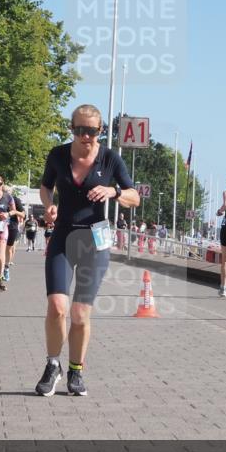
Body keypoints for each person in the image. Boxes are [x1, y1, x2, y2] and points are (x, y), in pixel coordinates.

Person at [35, 104, 138, 397]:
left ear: (100, 131)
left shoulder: (110, 159)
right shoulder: (57, 155)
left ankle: (76, 371)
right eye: (79, 130)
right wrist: (49, 205)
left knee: (80, 314)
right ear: (72, 129)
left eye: (91, 131)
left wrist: (113, 192)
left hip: (96, 239)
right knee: (57, 307)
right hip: (64, 235)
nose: (85, 137)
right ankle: (52, 365)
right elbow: (45, 187)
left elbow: (134, 197)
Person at [3, 190, 25, 281]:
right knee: (0, 248)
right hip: (0, 227)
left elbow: (23, 214)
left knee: (8, 248)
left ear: (11, 192)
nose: (6, 193)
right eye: (4, 191)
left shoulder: (16, 200)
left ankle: (6, 268)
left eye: (8, 192)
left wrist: (14, 212)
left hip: (12, 226)